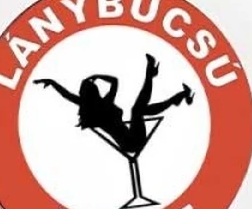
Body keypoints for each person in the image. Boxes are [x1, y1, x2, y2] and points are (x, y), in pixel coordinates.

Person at [35, 53, 193, 156]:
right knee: (138, 110)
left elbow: (66, 94)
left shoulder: (87, 106)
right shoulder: (104, 102)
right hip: (133, 142)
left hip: (130, 140)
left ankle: (174, 93)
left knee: (139, 109)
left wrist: (52, 82)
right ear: (94, 90)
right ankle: (156, 79)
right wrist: (97, 75)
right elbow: (114, 81)